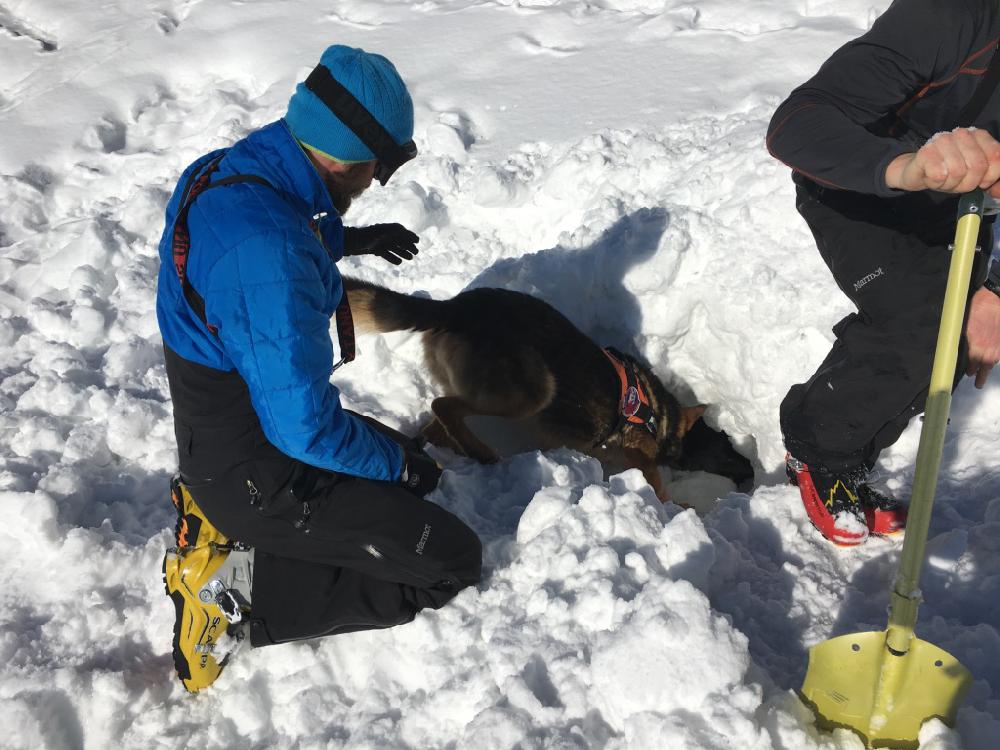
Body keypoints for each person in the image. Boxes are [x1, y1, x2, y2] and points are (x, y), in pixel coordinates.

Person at [156, 45, 483, 692]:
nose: (377, 182)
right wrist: (396, 468)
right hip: (260, 470)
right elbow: (302, 430)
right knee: (450, 560)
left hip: (225, 431)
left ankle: (218, 511)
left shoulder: (229, 171)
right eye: (380, 167)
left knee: (412, 468)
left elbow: (276, 229)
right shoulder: (271, 254)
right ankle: (228, 596)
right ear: (344, 157)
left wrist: (354, 239)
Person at [767, 0, 1000, 546]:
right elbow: (796, 125)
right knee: (923, 326)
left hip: (963, 201)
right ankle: (820, 452)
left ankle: (853, 443)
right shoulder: (952, 17)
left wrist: (994, 289)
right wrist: (906, 167)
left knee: (955, 336)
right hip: (860, 184)